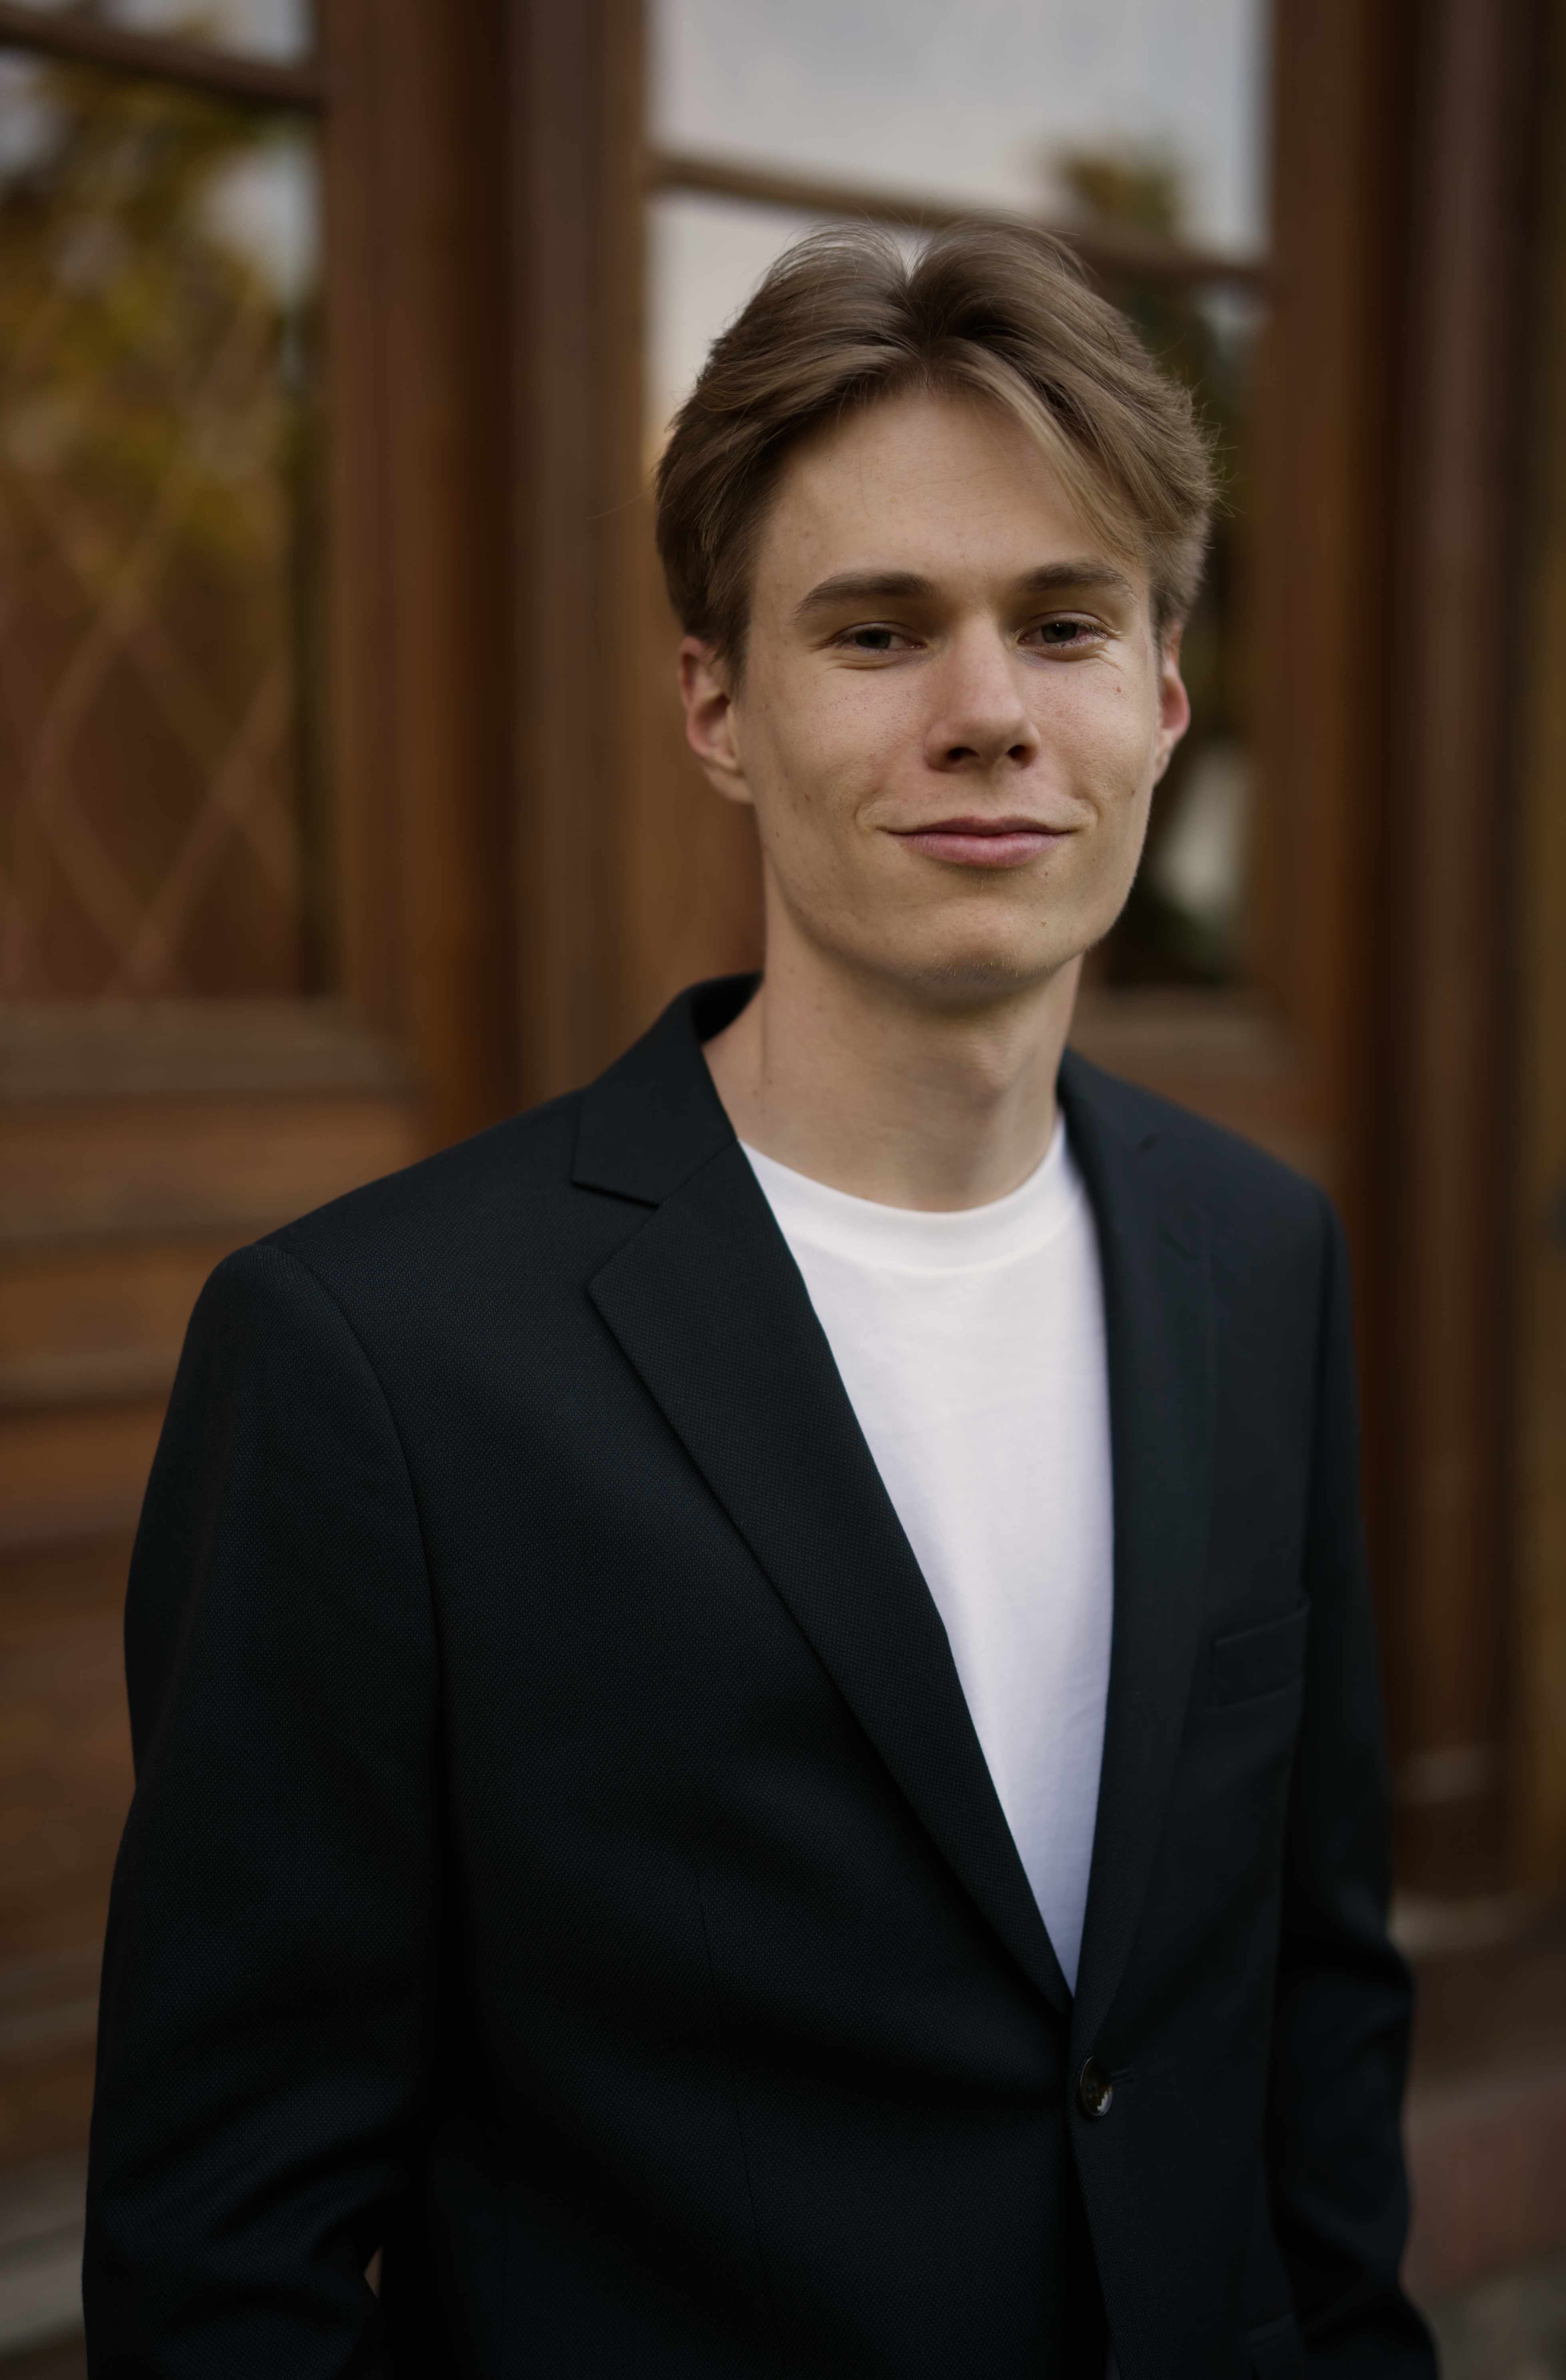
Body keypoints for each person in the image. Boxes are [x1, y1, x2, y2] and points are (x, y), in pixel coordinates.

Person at [84, 223, 1435, 2379]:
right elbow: (225, 2244)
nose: (987, 714)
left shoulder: (1260, 1256)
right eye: (878, 631)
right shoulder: (372, 1358)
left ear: (1164, 697)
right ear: (718, 705)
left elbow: (1313, 1999)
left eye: (1064, 624)